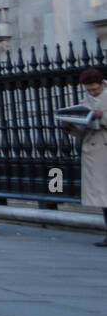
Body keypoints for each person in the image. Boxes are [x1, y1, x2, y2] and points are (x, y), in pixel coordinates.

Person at [60, 68, 107, 246]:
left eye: (95, 89)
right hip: (95, 153)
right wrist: (71, 126)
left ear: (102, 84)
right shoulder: (85, 101)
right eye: (89, 90)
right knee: (104, 199)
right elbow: (84, 132)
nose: (92, 93)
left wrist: (102, 116)